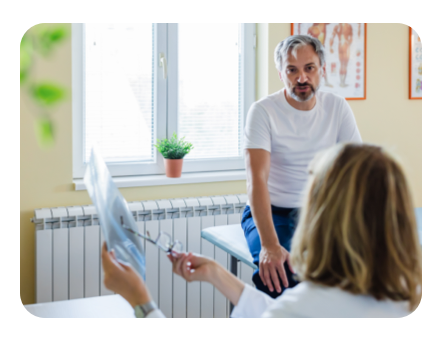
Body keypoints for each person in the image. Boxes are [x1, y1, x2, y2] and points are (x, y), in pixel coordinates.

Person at [101, 143, 422, 318]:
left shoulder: (300, 311)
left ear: (320, 219)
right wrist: (216, 273)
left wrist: (141, 302)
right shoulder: (404, 295)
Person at [241, 34, 362, 298]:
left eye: (309, 68)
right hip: (273, 212)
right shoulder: (263, 112)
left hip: (319, 212)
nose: (302, 78)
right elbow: (256, 180)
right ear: (281, 73)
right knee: (282, 277)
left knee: (354, 274)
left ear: (322, 70)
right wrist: (270, 245)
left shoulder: (337, 108)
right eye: (292, 70)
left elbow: (356, 170)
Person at [329, 23, 353, 87]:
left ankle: (342, 82)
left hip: (340, 46)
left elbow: (332, 37)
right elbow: (351, 38)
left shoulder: (337, 26)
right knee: (344, 65)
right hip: (345, 45)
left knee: (342, 64)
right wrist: (348, 43)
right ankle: (342, 82)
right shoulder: (348, 26)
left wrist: (330, 46)